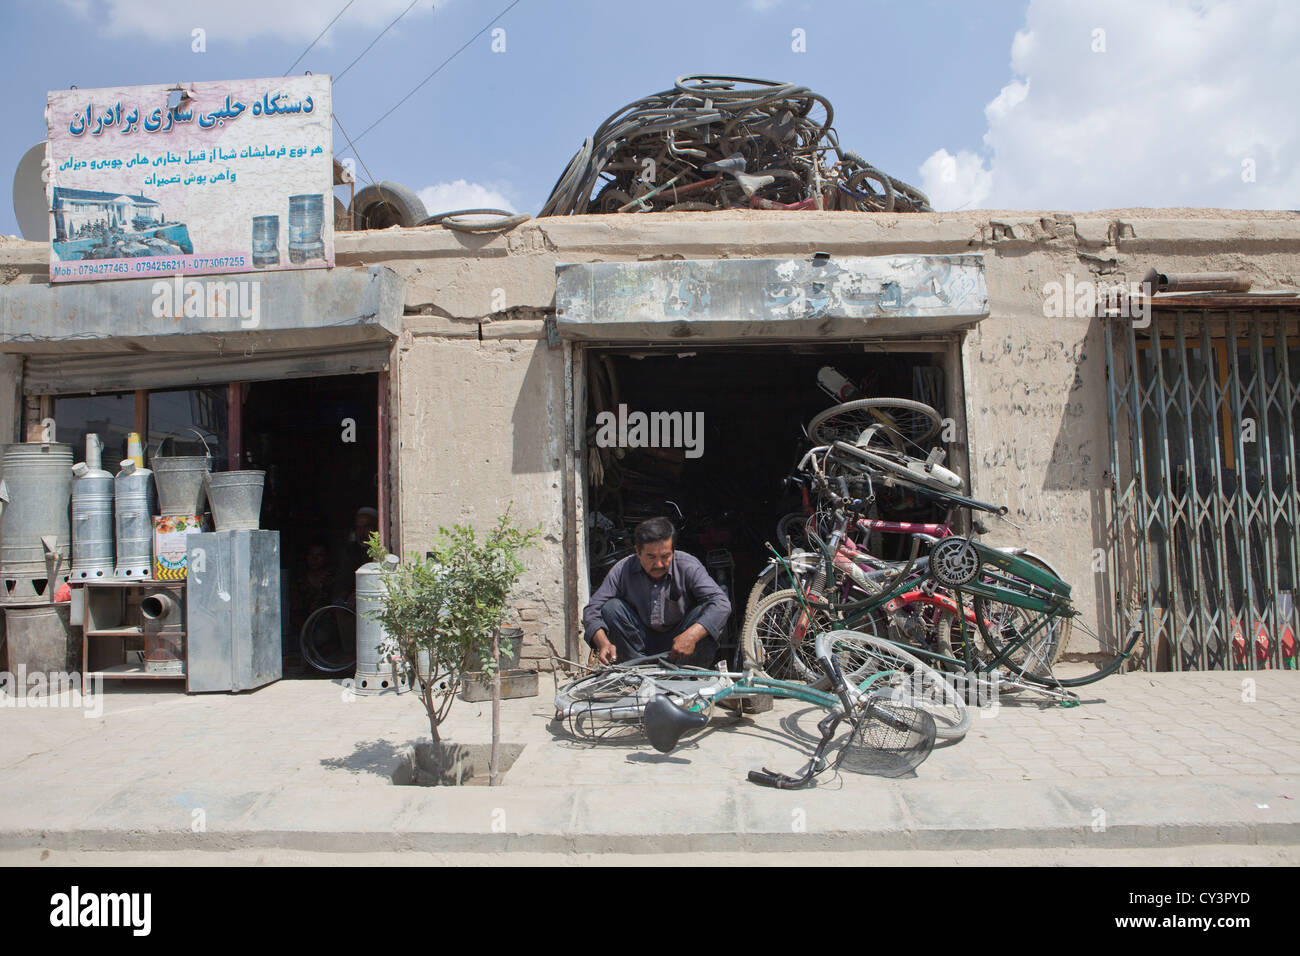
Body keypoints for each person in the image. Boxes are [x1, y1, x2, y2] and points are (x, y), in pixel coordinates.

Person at [583, 516, 731, 666]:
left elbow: (722, 603)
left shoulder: (688, 565)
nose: (659, 564)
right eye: (651, 557)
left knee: (707, 611)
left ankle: (687, 674)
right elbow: (592, 610)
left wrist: (692, 635)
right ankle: (636, 671)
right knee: (611, 608)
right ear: (638, 552)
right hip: (638, 644)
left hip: (681, 646)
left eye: (666, 556)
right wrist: (603, 643)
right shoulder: (622, 570)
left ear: (673, 551)